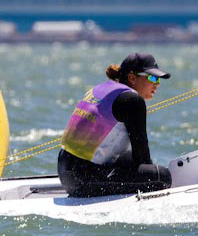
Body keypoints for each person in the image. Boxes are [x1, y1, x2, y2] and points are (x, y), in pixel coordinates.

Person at [58, 52, 173, 197]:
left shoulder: (102, 89)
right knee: (160, 177)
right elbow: (142, 158)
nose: (157, 84)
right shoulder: (133, 100)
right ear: (132, 78)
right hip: (82, 180)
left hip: (66, 173)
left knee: (129, 158)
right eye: (152, 77)